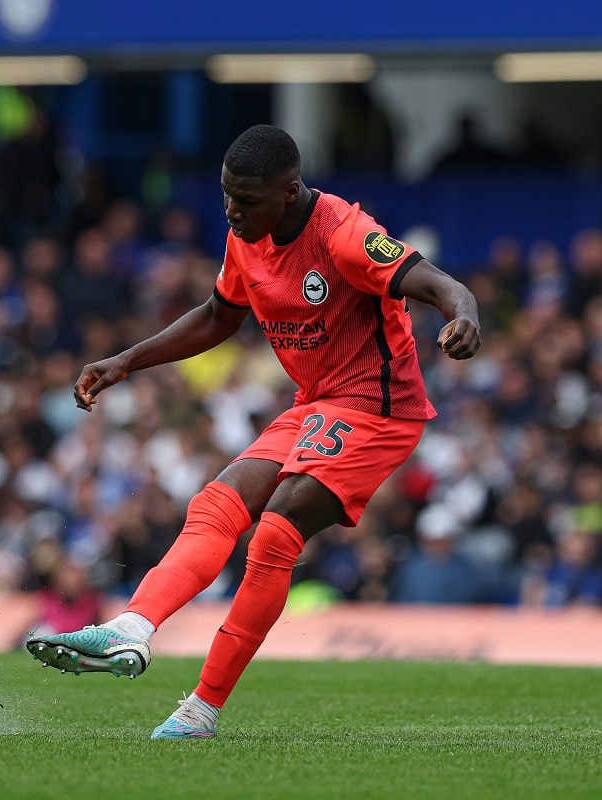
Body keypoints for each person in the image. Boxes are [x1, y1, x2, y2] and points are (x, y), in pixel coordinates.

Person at [25, 124, 482, 739]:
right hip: (316, 404)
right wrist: (127, 360)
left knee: (274, 535)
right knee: (217, 502)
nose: (232, 212)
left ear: (289, 192)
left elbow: (436, 283)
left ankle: (201, 709)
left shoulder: (345, 234)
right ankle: (130, 629)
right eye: (226, 197)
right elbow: (218, 316)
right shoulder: (247, 237)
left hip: (379, 409)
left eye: (246, 200)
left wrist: (464, 315)